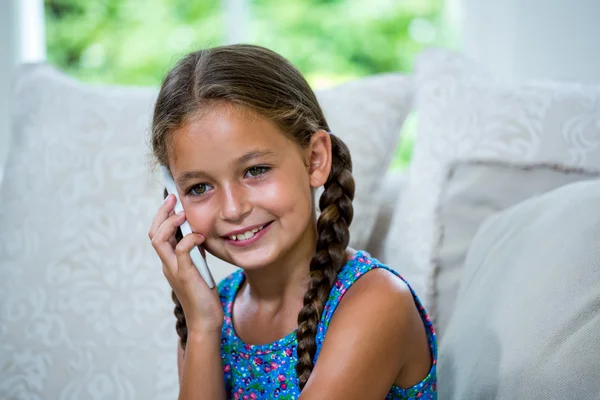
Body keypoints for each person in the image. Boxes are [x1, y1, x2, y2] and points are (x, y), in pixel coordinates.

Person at [147, 44, 437, 399]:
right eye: (200, 187)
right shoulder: (207, 312)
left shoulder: (375, 302)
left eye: (256, 170)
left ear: (315, 160)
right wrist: (203, 327)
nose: (233, 209)